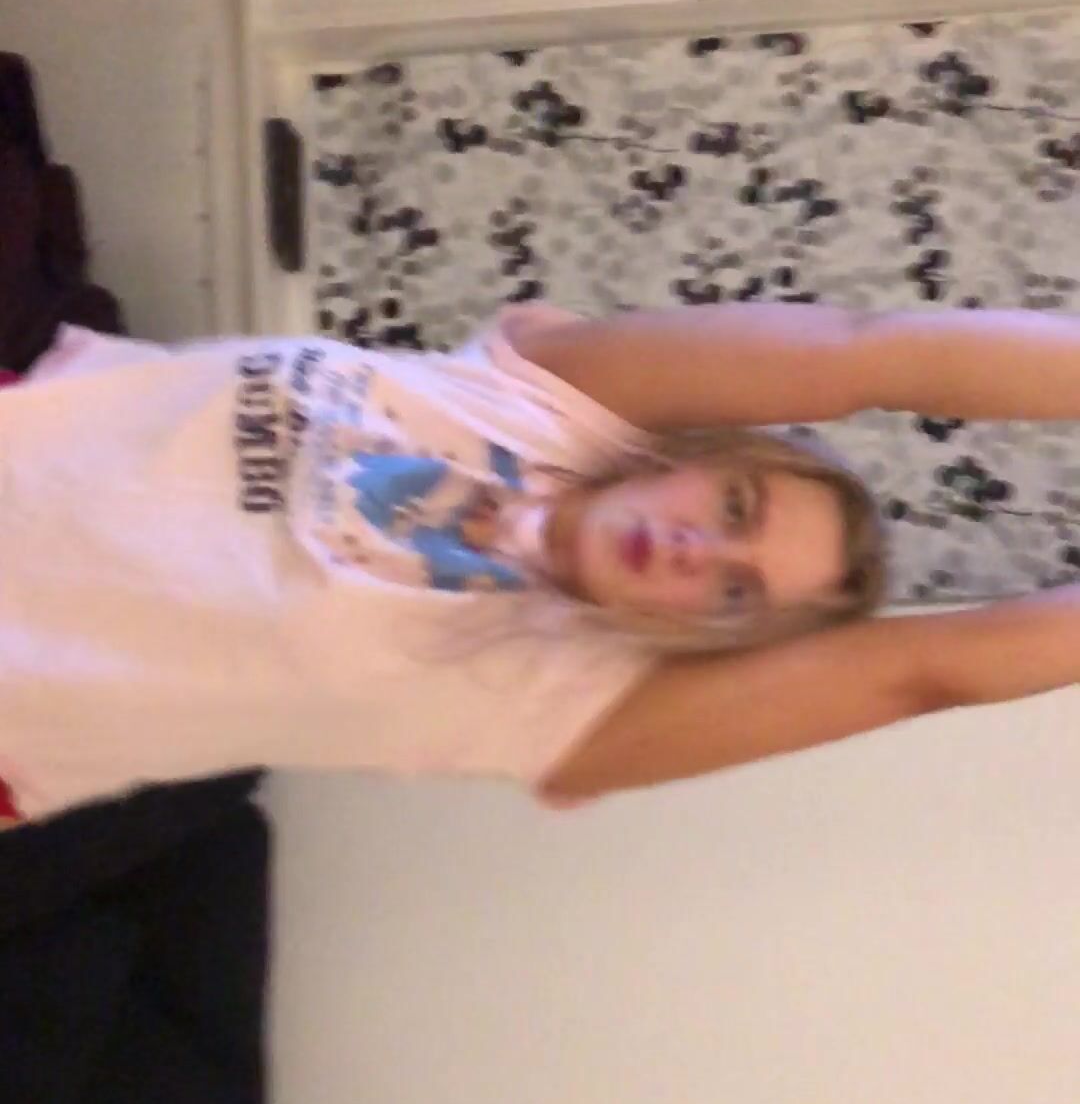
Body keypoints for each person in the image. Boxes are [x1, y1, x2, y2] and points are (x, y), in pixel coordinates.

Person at [0, 298, 1078, 826]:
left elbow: (921, 671)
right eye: (734, 506)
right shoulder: (546, 403)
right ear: (690, 458)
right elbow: (873, 354)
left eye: (735, 590)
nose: (700, 550)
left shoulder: (563, 698)